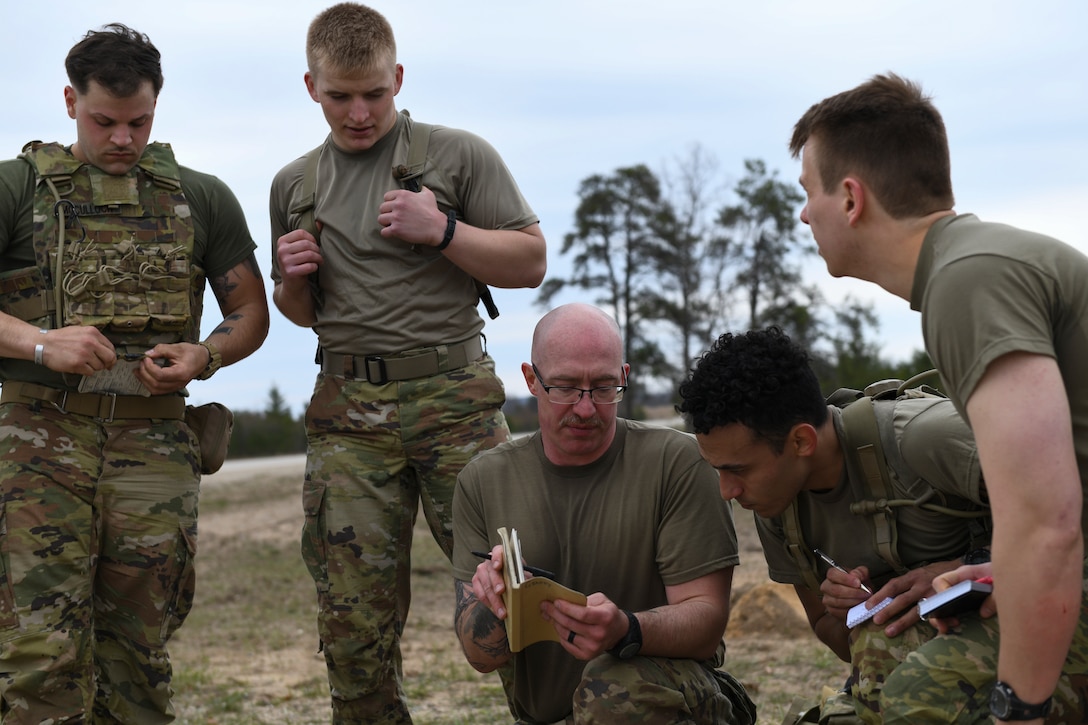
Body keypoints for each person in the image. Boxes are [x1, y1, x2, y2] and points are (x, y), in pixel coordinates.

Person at [268, 3, 546, 722]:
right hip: (347, 417)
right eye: (339, 96)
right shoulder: (294, 185)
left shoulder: (459, 156)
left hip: (456, 405)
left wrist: (444, 228)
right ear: (311, 87)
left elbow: (531, 260)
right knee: (352, 623)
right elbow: (303, 312)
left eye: (374, 94)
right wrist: (292, 278)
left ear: (398, 78)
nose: (358, 112)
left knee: (516, 598)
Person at [789, 72, 1088, 723]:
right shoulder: (973, 266)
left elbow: (1047, 522)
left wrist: (1020, 708)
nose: (802, 214)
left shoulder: (967, 280)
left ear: (849, 198)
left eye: (807, 192)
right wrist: (985, 570)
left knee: (920, 693)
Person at [0, 23, 268, 724]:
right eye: (104, 121)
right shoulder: (14, 189)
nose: (123, 139)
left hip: (154, 450)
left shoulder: (201, 198)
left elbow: (250, 311)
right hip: (39, 450)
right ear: (69, 101)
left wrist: (204, 354)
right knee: (36, 654)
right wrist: (38, 344)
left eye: (139, 121)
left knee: (139, 655)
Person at [451, 303, 756, 725]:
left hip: (665, 702)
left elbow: (706, 623)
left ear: (624, 377)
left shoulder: (678, 463)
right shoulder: (483, 481)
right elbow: (479, 657)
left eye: (604, 387)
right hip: (546, 716)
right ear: (531, 380)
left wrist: (627, 629)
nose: (586, 408)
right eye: (565, 387)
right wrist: (496, 605)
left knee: (611, 688)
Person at [677, 326, 991, 723]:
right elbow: (839, 639)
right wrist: (855, 610)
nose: (726, 491)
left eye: (737, 469)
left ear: (801, 442)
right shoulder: (778, 509)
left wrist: (962, 570)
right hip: (911, 658)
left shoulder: (925, 438)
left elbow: (1067, 519)